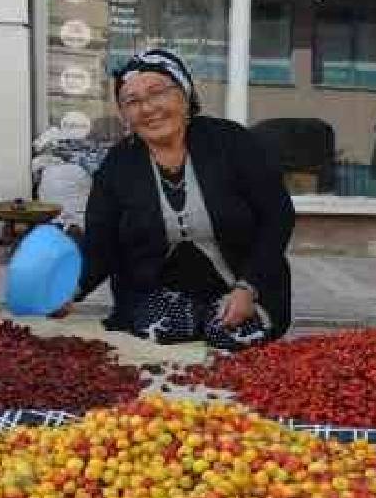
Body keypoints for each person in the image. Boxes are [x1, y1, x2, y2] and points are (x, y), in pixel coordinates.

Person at [56, 49, 295, 350]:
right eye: (132, 101)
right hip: (159, 297)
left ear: (185, 94)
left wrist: (249, 287)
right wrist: (71, 291)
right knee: (162, 333)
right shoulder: (119, 165)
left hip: (244, 288)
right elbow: (101, 244)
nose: (147, 108)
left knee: (231, 337)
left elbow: (278, 217)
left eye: (158, 93)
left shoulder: (231, 142)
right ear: (124, 115)